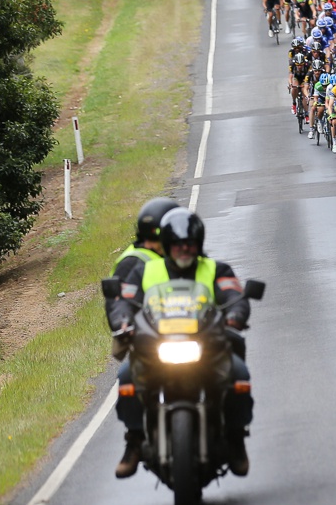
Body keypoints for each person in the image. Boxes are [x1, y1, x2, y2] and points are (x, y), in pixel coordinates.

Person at [108, 209, 254, 479]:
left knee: (239, 375)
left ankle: (236, 439)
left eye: (189, 245)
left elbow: (235, 294)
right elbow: (123, 300)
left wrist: (235, 315)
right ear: (167, 246)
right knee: (126, 375)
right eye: (177, 245)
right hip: (157, 347)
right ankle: (135, 441)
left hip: (206, 348)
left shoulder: (215, 269)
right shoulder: (145, 271)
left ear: (198, 245)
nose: (183, 250)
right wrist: (122, 322)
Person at [106, 197, 179, 327]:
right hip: (145, 333)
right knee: (122, 346)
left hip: (185, 321)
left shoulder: (178, 255)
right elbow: (118, 303)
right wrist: (123, 322)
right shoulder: (131, 263)